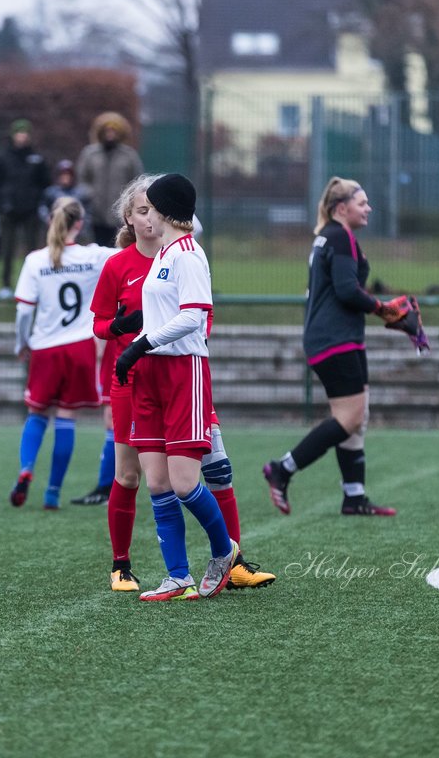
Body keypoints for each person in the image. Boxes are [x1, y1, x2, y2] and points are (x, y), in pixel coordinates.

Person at [94, 175, 274, 596]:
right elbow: (153, 314)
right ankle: (177, 575)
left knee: (185, 483)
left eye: (149, 206)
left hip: (181, 373)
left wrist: (139, 346)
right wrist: (134, 345)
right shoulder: (164, 255)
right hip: (149, 378)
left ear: (163, 210)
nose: (146, 213)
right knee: (156, 481)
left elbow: (194, 317)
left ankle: (223, 551)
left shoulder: (189, 255)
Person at [262, 176, 402, 518]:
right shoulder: (339, 237)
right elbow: (346, 290)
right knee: (350, 416)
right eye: (361, 202)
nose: (368, 208)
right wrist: (383, 308)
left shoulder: (331, 236)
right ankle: (283, 468)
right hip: (334, 338)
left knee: (359, 415)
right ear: (341, 208)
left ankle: (354, 497)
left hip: (338, 336)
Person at [9, 197, 114, 510]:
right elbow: (134, 254)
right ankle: (52, 492)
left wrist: (21, 343)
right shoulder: (94, 255)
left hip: (45, 347)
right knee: (67, 417)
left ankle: (26, 469)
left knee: (37, 412)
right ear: (79, 224)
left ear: (49, 221)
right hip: (81, 347)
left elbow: (24, 311)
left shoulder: (36, 260)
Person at [0, 118, 51, 298]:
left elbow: (44, 184)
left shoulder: (37, 159)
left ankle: (32, 284)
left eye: (25, 133)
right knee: (7, 249)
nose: (22, 137)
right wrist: (0, 206)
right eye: (19, 133)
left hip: (31, 211)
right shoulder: (2, 158)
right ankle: (6, 285)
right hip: (8, 211)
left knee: (32, 251)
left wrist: (38, 203)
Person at [76, 111, 143, 250]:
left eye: (114, 131)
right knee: (96, 248)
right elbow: (82, 178)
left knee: (118, 248)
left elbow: (137, 181)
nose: (110, 134)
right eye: (107, 131)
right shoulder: (90, 154)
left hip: (120, 214)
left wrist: (128, 202)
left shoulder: (129, 156)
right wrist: (90, 194)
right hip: (95, 213)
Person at [39, 158, 92, 232]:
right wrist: (47, 218)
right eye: (63, 174)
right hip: (55, 228)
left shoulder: (80, 193)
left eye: (68, 175)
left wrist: (83, 225)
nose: (65, 177)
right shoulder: (51, 192)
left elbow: (87, 212)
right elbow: (43, 208)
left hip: (76, 230)